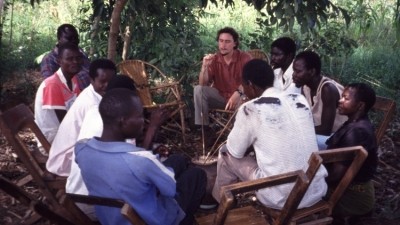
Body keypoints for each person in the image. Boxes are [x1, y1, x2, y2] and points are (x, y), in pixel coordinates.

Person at [75, 88, 206, 225]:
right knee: (196, 175)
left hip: (111, 219)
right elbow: (170, 189)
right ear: (123, 121)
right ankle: (185, 220)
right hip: (151, 220)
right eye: (140, 116)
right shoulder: (141, 159)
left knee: (178, 160)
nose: (144, 121)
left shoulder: (81, 148)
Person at [211, 59, 327, 209]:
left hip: (280, 197)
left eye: (244, 86)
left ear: (250, 85)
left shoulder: (250, 108)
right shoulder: (299, 99)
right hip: (314, 190)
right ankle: (225, 200)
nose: (244, 91)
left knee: (225, 153)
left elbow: (235, 152)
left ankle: (221, 203)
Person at [46, 58, 116, 177]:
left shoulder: (94, 94)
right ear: (91, 80)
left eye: (111, 81)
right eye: (102, 81)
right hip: (66, 159)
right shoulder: (93, 104)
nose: (107, 86)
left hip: (78, 149)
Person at [325, 83, 378, 224]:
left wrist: (314, 182)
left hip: (354, 197)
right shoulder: (354, 124)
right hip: (349, 188)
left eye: (346, 98)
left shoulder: (357, 133)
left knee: (303, 195)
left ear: (360, 106)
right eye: (342, 97)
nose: (340, 101)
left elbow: (337, 175)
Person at [193, 27, 252, 131]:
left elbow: (251, 80)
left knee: (243, 105)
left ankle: (237, 136)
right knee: (198, 89)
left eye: (227, 42)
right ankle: (203, 130)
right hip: (221, 97)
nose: (223, 45)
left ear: (235, 43)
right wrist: (204, 67)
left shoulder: (244, 58)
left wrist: (238, 93)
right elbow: (202, 83)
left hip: (240, 98)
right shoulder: (214, 59)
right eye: (221, 41)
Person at [292, 50, 347, 149]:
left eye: (298, 71)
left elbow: (326, 130)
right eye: (294, 70)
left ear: (312, 72)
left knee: (295, 141)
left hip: (338, 139)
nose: (294, 75)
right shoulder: (305, 87)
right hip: (323, 136)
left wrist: (297, 129)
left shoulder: (327, 89)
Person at [34, 42, 83, 143]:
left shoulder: (73, 80)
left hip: (65, 131)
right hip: (52, 138)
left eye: (78, 58)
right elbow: (65, 123)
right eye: (69, 59)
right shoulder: (53, 84)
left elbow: (78, 109)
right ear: (59, 61)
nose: (75, 62)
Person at [41, 24, 90, 91]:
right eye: (69, 38)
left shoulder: (81, 52)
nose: (73, 41)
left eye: (76, 38)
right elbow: (50, 86)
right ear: (59, 39)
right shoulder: (49, 59)